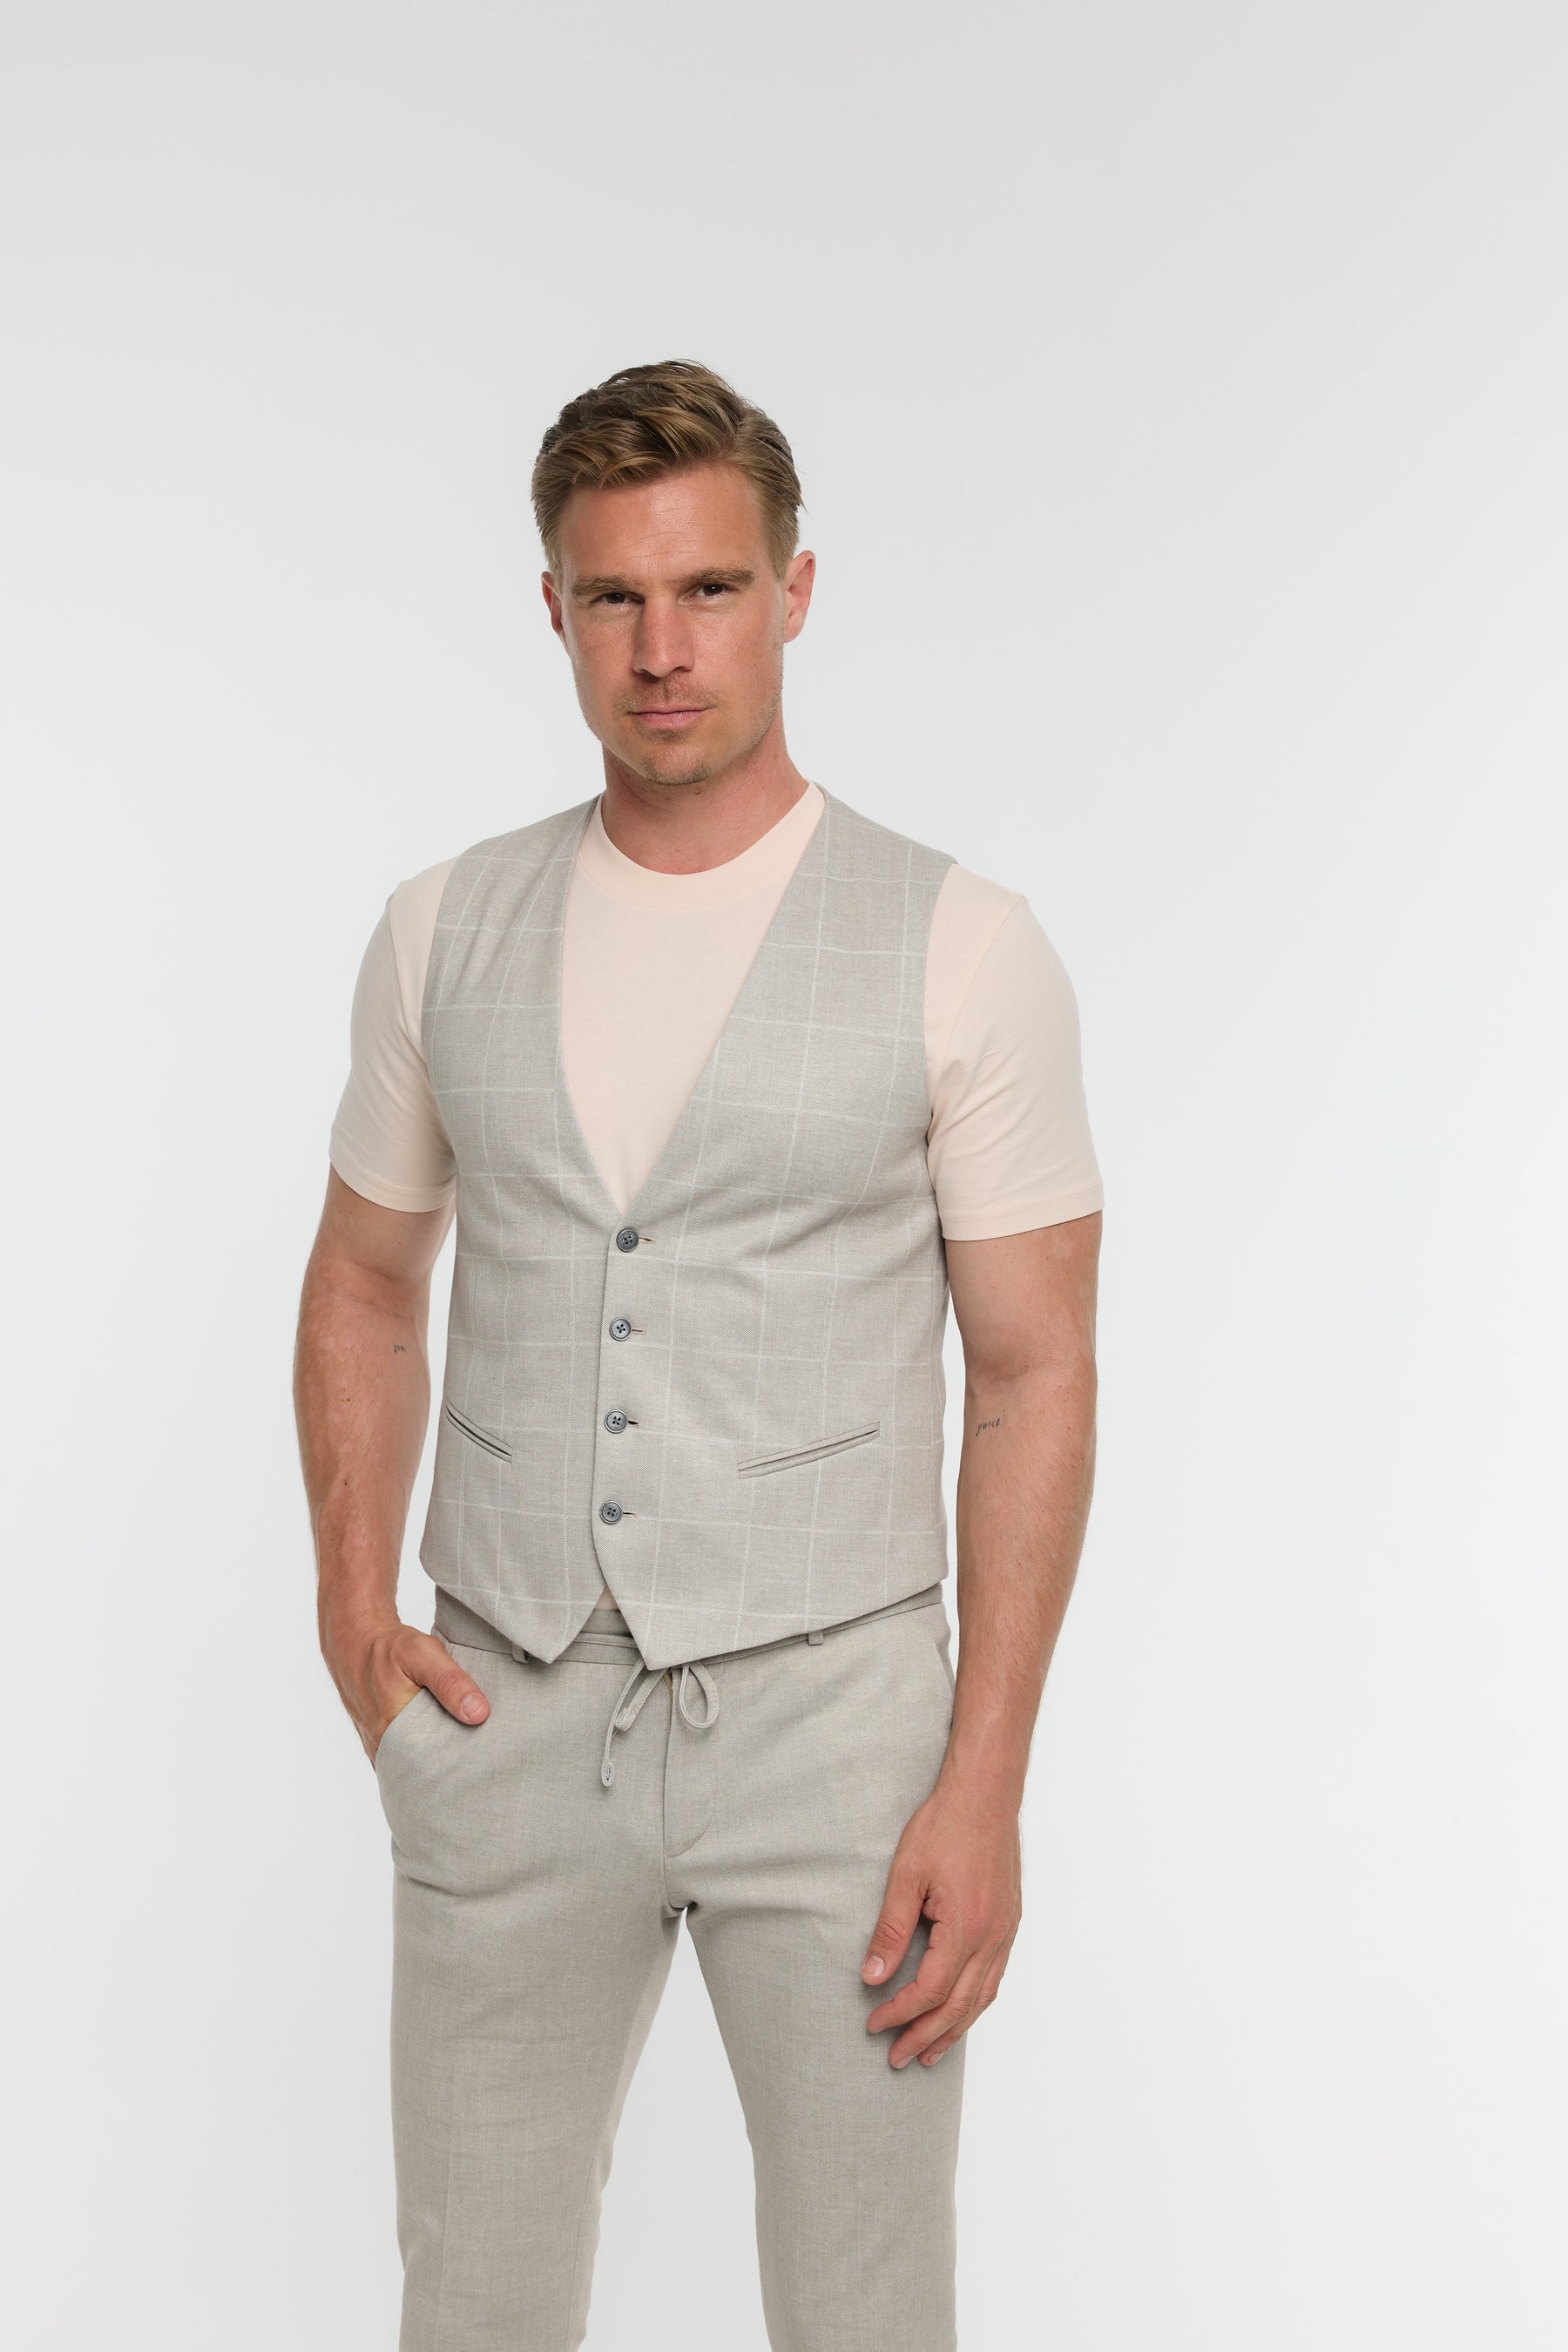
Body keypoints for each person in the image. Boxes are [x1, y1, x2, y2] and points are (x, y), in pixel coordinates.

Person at [294, 359, 1103, 2352]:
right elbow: (365, 1283)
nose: (664, 651)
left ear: (796, 590)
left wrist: (984, 1780)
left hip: (840, 1736)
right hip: (505, 1704)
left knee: (864, 2314)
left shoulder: (963, 943)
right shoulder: (440, 928)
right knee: (471, 2308)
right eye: (616, 598)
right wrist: (351, 1614)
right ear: (553, 609)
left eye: (712, 590)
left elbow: (1033, 1375)